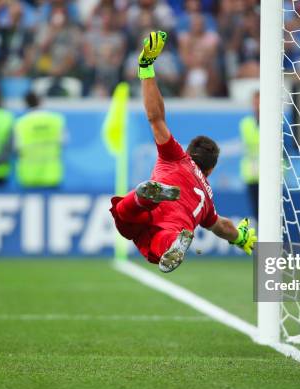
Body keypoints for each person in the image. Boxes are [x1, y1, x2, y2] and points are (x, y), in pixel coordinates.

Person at [109, 31, 257, 273]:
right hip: (172, 224)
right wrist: (239, 239)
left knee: (124, 214)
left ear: (189, 152)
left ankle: (143, 196)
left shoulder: (176, 157)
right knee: (162, 244)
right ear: (210, 170)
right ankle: (173, 243)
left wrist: (146, 69)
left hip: (146, 211)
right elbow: (223, 227)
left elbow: (155, 118)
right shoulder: (207, 199)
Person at [14, 91, 65, 189]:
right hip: (52, 175)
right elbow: (63, 142)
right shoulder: (56, 120)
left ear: (25, 103)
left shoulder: (21, 123)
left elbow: (16, 148)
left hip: (29, 176)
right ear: (41, 102)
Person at [239, 90, 259, 220]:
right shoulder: (246, 123)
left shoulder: (276, 123)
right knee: (256, 213)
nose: (258, 105)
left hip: (272, 174)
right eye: (255, 102)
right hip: (252, 174)